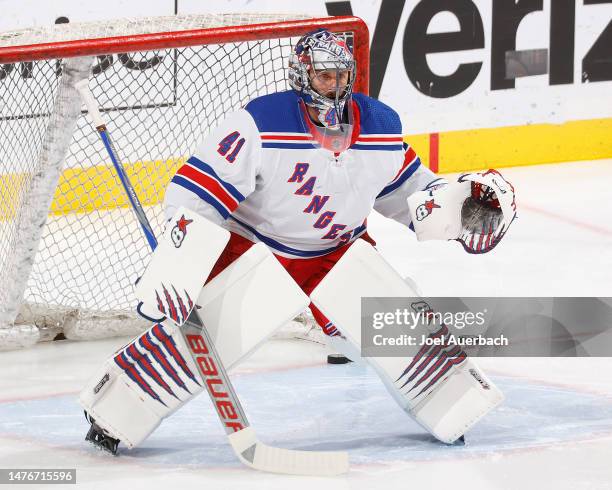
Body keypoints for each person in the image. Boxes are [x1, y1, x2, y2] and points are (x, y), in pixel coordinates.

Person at [81, 28, 515, 454]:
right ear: (301, 75)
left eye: (341, 76)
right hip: (258, 250)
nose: (334, 86)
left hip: (339, 253)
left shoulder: (381, 126)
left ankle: (450, 403)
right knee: (204, 340)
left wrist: (462, 209)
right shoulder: (261, 122)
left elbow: (410, 194)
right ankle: (113, 413)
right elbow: (196, 194)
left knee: (397, 329)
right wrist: (180, 263)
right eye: (324, 76)